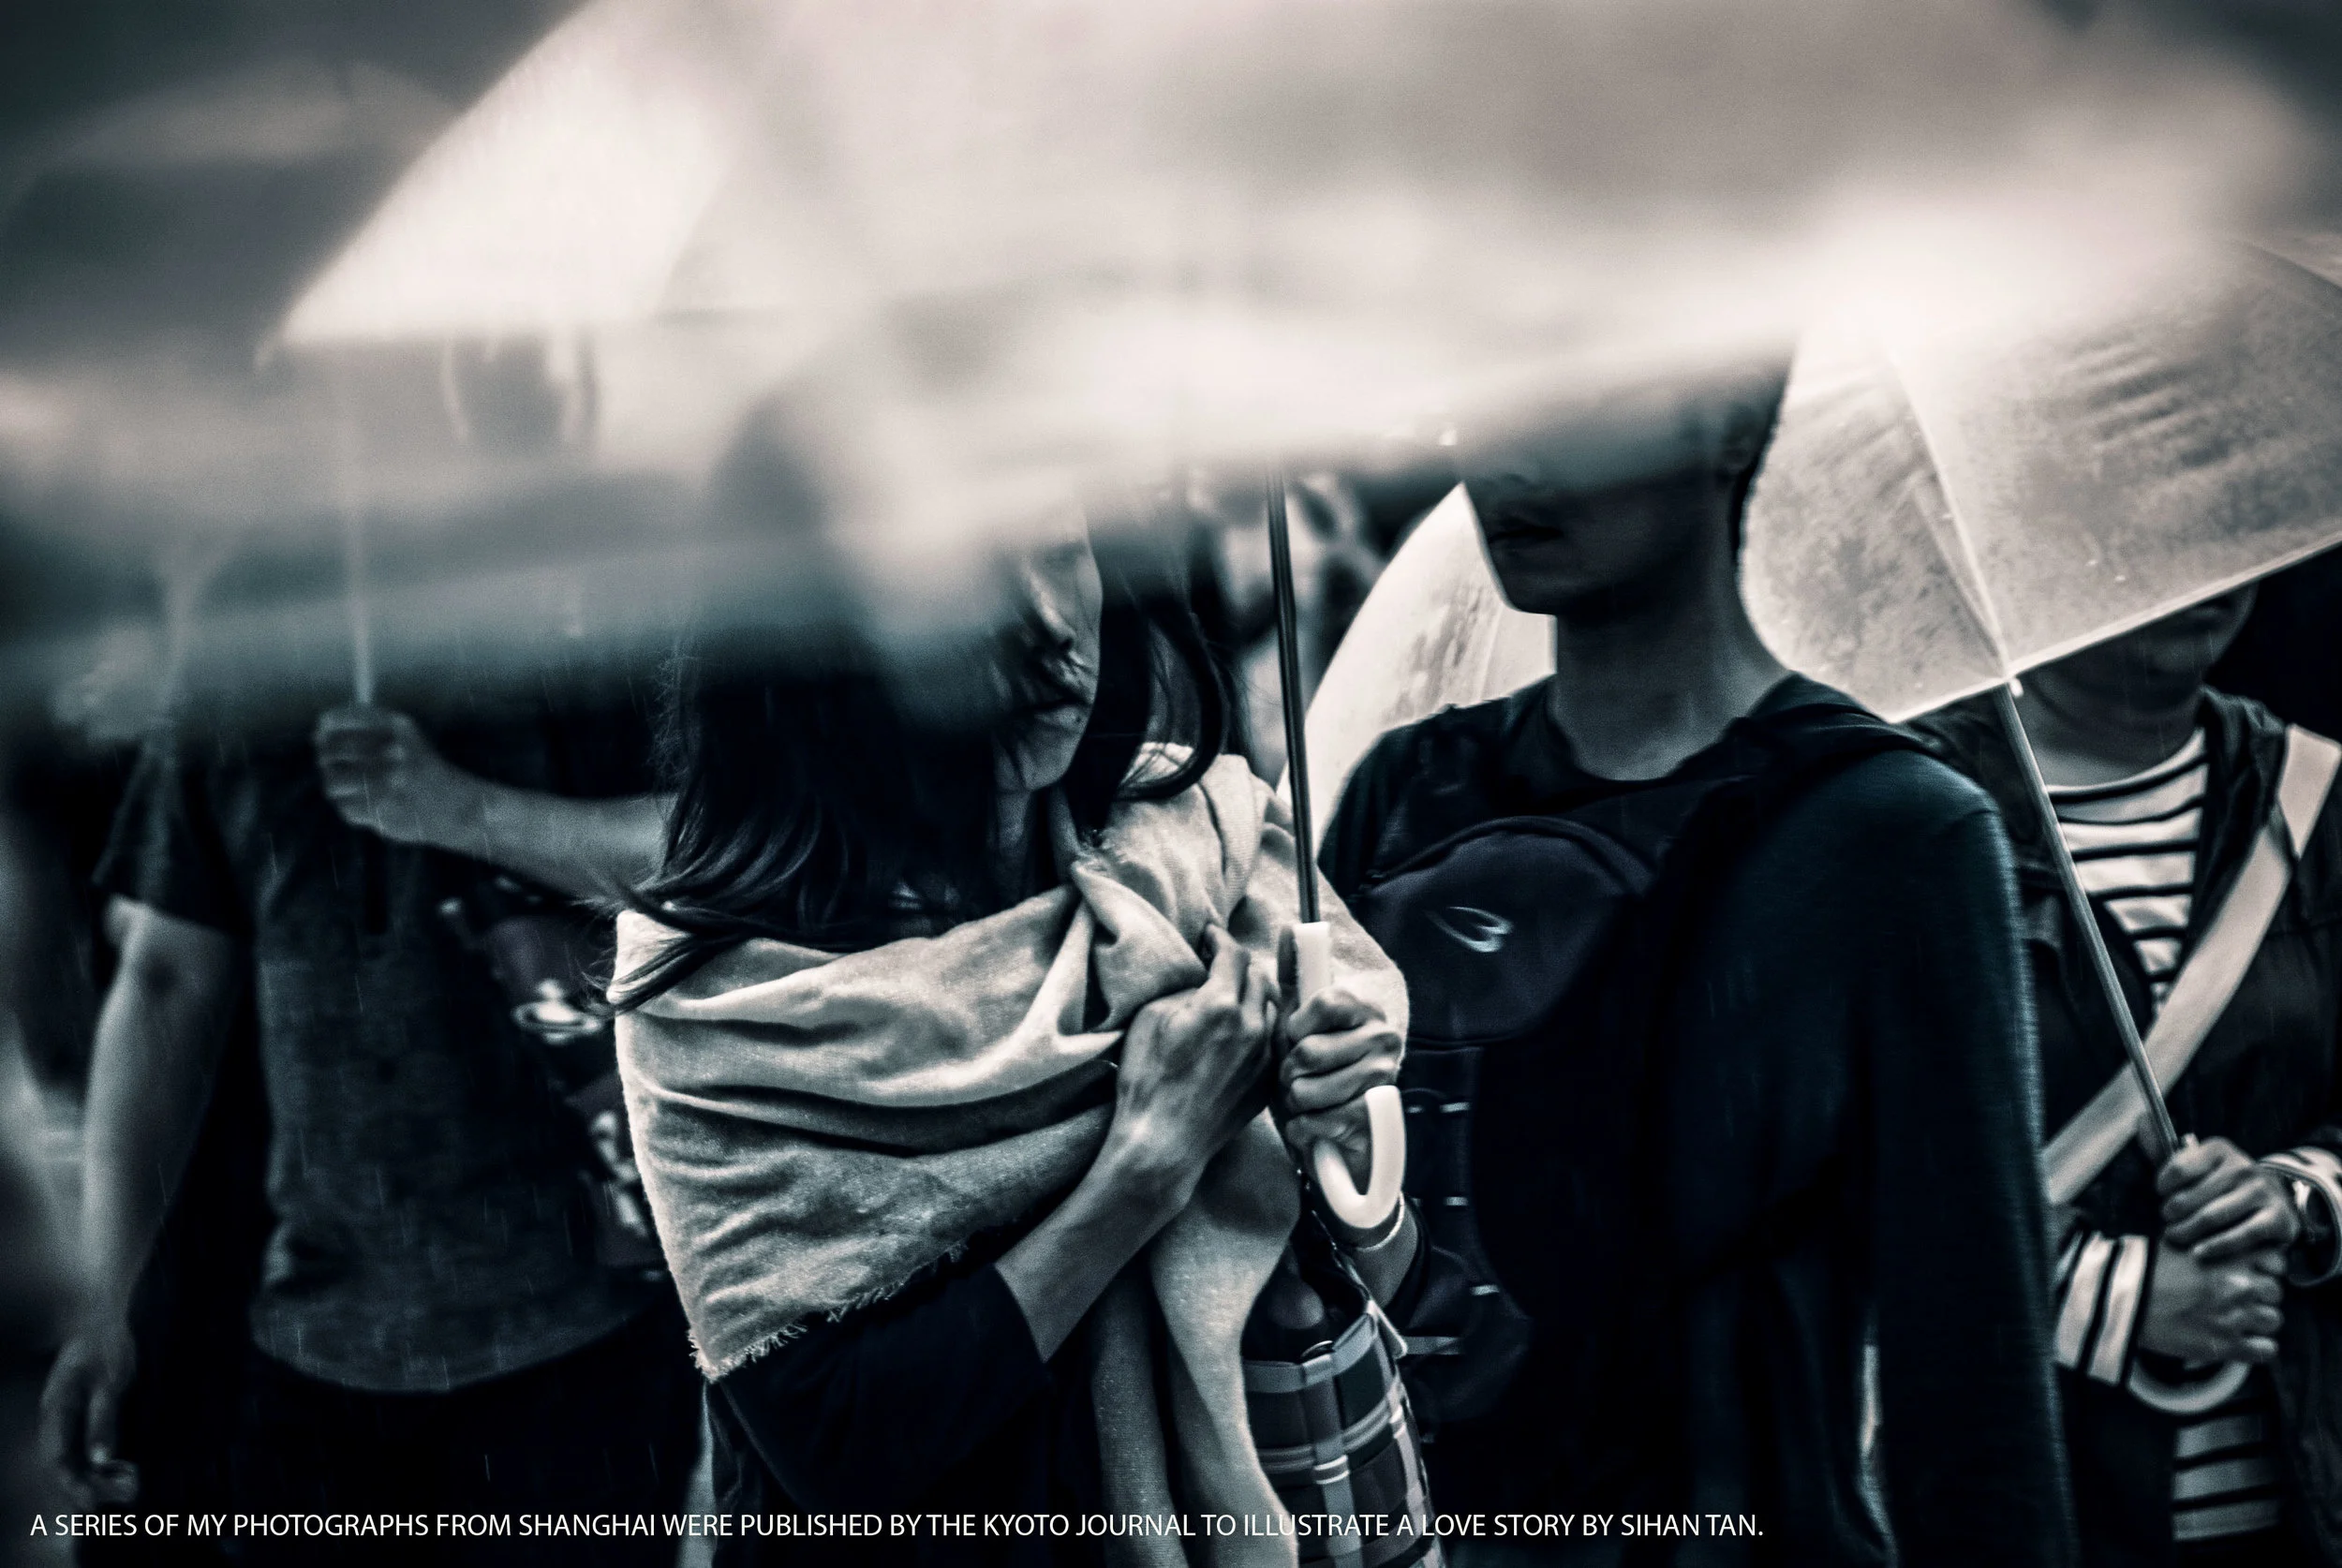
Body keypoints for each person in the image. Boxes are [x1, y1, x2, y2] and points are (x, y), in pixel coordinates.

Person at [1318, 362, 2077, 1565]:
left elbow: (1973, 1396)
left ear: (1729, 414)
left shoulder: (1888, 834)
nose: (1506, 457)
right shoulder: (1406, 795)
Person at [611, 509, 1417, 1566]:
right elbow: (836, 1448)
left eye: (1058, 546)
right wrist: (1143, 1170)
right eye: (975, 573)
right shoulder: (733, 997)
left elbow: (1395, 1278)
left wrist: (1339, 1142)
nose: (1050, 624)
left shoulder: (1196, 848)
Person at [38, 688, 698, 1565]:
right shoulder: (237, 676)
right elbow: (164, 981)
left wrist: (463, 810)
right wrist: (100, 1304)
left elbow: (724, 853)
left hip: (590, 1329)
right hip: (311, 1340)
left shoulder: (570, 641)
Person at [1918, 588, 2342, 1568]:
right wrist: (2113, 1298)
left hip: (2299, 1513)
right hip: (2018, 1514)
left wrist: (2292, 1197)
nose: (2194, 582)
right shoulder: (1902, 817)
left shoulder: (2319, 800)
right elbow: (1829, 1174)